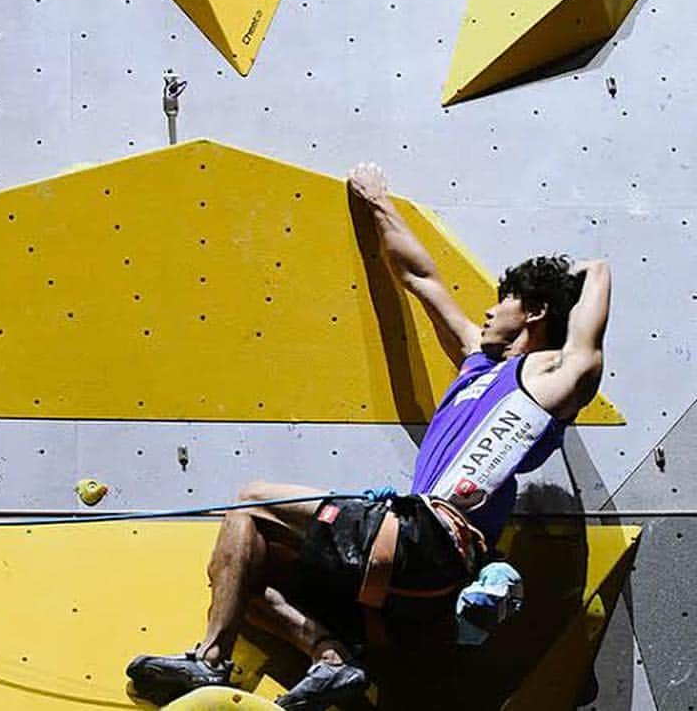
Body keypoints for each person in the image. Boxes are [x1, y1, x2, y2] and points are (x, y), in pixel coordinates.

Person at [127, 162, 612, 710]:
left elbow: (585, 346)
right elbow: (421, 279)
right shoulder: (477, 365)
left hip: (428, 541)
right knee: (241, 568)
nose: (486, 307)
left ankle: (210, 661)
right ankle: (330, 657)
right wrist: (377, 200)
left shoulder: (547, 382)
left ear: (537, 312)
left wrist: (590, 269)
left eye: (502, 300)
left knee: (250, 502)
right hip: (405, 564)